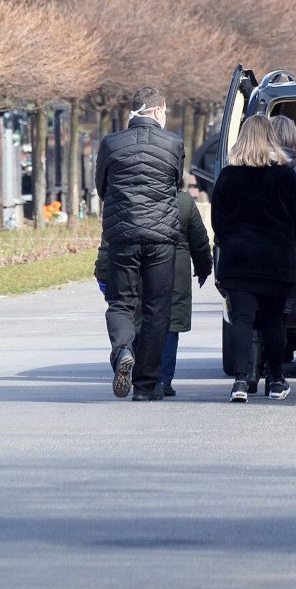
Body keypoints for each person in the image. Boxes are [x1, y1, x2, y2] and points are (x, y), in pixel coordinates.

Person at [94, 87, 185, 401]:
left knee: (121, 303)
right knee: (157, 309)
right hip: (161, 239)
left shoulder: (110, 143)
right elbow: (176, 183)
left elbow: (101, 187)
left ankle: (122, 351)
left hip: (123, 236)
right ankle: (146, 386)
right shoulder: (173, 143)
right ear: (159, 110)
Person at [211, 115, 296, 403]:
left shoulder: (228, 176)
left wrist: (229, 242)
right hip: (275, 260)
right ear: (271, 139)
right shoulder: (285, 175)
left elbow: (218, 221)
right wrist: (284, 241)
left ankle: (240, 382)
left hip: (238, 259)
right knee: (273, 321)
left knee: (241, 319)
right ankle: (276, 380)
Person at [93, 182, 211, 398]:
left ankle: (129, 360)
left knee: (136, 320)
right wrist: (204, 267)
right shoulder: (183, 201)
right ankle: (162, 379)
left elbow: (109, 242)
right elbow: (199, 240)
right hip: (173, 272)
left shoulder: (125, 199)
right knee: (168, 325)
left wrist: (103, 274)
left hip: (131, 268)